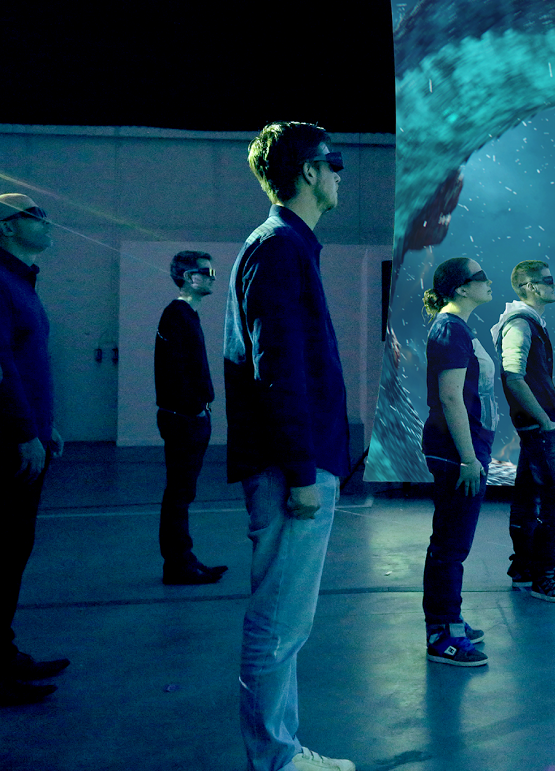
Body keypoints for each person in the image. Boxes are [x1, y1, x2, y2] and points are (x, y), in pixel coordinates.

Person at [224, 123, 354, 771]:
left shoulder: (286, 246)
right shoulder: (278, 248)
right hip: (290, 470)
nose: (339, 174)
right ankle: (276, 760)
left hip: (295, 463)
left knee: (286, 623)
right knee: (278, 622)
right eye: (334, 162)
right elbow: (277, 367)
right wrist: (303, 471)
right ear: (307, 172)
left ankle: (282, 750)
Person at [0, 193, 69, 706]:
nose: (47, 223)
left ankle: (4, 654)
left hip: (30, 434)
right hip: (9, 442)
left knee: (14, 550)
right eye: (34, 216)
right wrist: (25, 431)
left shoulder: (22, 283)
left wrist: (46, 426)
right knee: (3, 553)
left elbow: (26, 363)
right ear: (6, 228)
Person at [421, 257, 496, 667]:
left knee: (452, 542)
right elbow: (451, 397)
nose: (488, 281)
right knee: (451, 545)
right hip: (457, 454)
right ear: (462, 288)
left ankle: (449, 618)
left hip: (464, 451)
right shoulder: (451, 329)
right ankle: (442, 633)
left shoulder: (457, 327)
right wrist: (468, 457)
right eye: (480, 277)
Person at [490, 261, 555, 603]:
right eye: (548, 280)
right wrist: (544, 420)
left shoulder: (526, 322)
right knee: (554, 500)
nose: (554, 285)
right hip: (539, 428)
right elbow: (514, 378)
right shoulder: (521, 324)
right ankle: (543, 576)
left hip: (534, 426)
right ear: (530, 286)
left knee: (527, 497)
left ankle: (524, 569)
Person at [155, 250, 228, 585]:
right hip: (185, 420)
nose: (213, 277)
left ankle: (183, 559)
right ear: (188, 277)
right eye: (206, 272)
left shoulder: (186, 314)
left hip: (189, 417)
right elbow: (176, 372)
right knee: (179, 494)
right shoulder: (177, 314)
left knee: (182, 493)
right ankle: (178, 564)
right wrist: (194, 409)